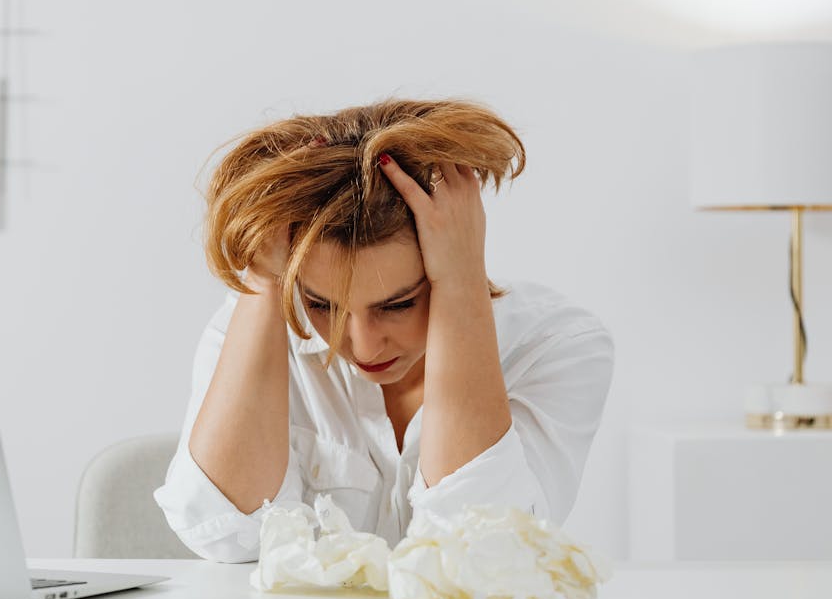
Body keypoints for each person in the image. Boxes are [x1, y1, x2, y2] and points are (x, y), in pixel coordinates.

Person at [153, 98, 615, 563]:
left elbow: (481, 549)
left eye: (397, 305)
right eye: (322, 304)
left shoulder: (557, 345)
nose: (361, 344)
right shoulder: (263, 326)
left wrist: (461, 280)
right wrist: (263, 275)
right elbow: (223, 534)